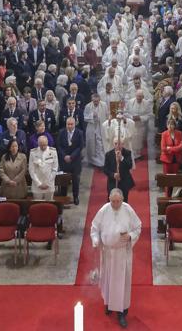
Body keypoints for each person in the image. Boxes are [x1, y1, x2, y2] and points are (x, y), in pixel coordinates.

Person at [91, 188, 141, 329]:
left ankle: (122, 313)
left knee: (121, 283)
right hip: (108, 252)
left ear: (123, 199)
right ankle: (108, 303)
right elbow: (94, 228)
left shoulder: (128, 209)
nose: (115, 204)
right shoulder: (104, 210)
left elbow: (138, 227)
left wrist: (130, 236)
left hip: (121, 253)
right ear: (109, 198)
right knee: (108, 280)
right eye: (113, 201)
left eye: (118, 201)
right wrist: (95, 240)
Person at [56, 117, 84, 205]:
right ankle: (63, 196)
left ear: (74, 124)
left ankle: (75, 197)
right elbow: (58, 145)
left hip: (75, 160)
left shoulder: (79, 133)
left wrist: (71, 156)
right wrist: (64, 156)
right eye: (68, 124)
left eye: (71, 124)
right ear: (66, 124)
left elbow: (80, 146)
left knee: (76, 180)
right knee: (64, 179)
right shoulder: (61, 132)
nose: (70, 126)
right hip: (64, 160)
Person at [28, 135, 59, 200]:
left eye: (45, 145)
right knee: (37, 205)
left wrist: (48, 183)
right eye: (41, 145)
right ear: (38, 143)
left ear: (47, 143)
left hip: (49, 185)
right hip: (37, 186)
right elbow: (31, 170)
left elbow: (54, 169)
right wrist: (39, 184)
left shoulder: (53, 152)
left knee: (49, 205)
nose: (43, 147)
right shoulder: (33, 153)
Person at [84, 93, 109, 167]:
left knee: (100, 144)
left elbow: (107, 115)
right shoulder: (88, 106)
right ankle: (92, 161)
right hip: (91, 127)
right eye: (94, 101)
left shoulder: (104, 105)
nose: (96, 103)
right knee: (91, 144)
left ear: (99, 100)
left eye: (97, 101)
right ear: (92, 100)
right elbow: (85, 117)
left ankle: (101, 162)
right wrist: (92, 116)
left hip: (101, 127)